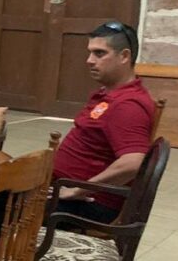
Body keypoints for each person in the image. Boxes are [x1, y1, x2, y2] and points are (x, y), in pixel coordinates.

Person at [50, 21, 154, 222]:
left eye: (99, 54)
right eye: (89, 53)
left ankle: (17, 252)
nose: (89, 60)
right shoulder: (108, 94)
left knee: (2, 198)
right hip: (66, 187)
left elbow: (133, 163)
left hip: (89, 203)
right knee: (3, 184)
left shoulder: (128, 105)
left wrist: (78, 190)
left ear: (124, 56)